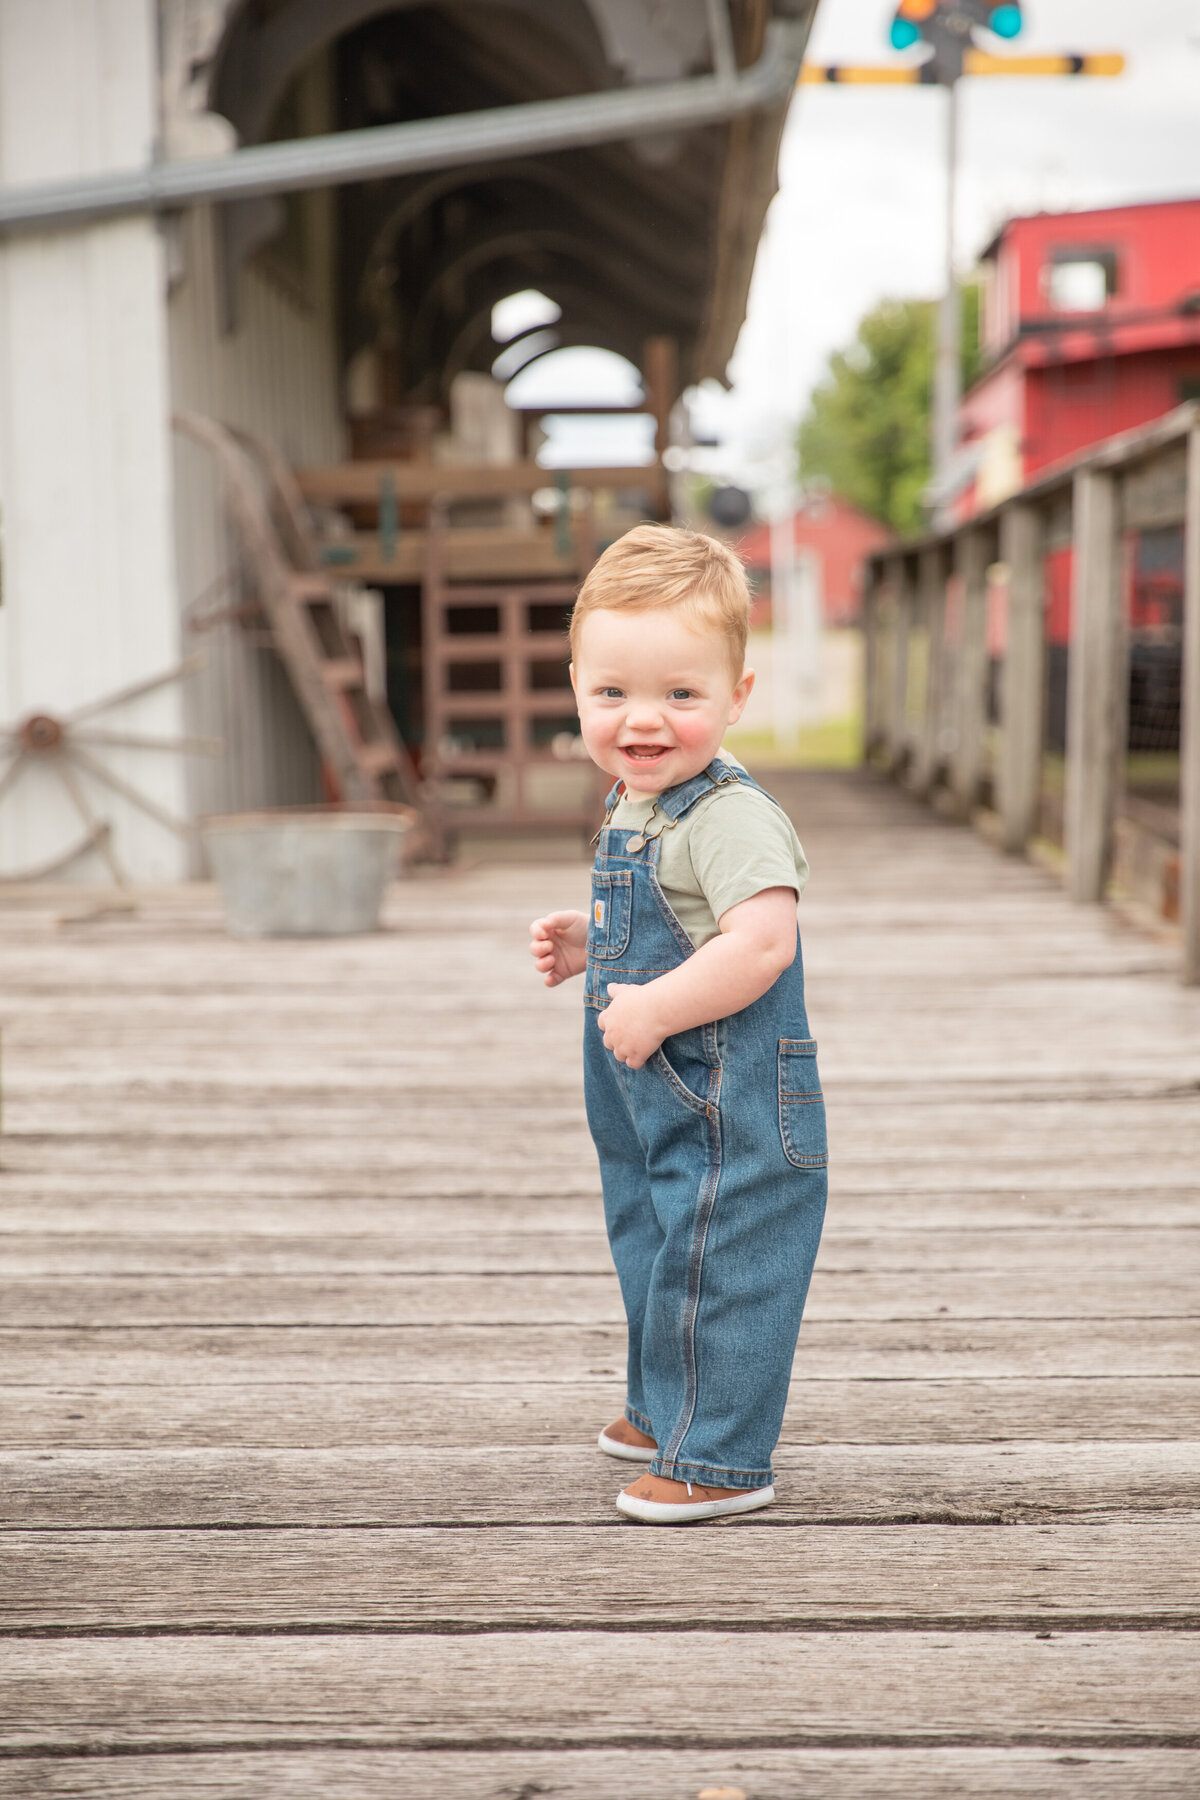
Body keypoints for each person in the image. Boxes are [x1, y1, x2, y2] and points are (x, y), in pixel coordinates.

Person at [529, 524, 827, 1525]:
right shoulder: (637, 801)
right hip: (652, 1084)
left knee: (722, 1248)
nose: (642, 721)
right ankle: (667, 1407)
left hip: (729, 1088)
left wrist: (652, 1000)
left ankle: (723, 1458)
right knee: (655, 1234)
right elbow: (673, 918)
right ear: (576, 688)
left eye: (680, 695)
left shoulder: (733, 816)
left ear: (737, 696)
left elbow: (758, 946)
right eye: (612, 694)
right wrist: (593, 945)